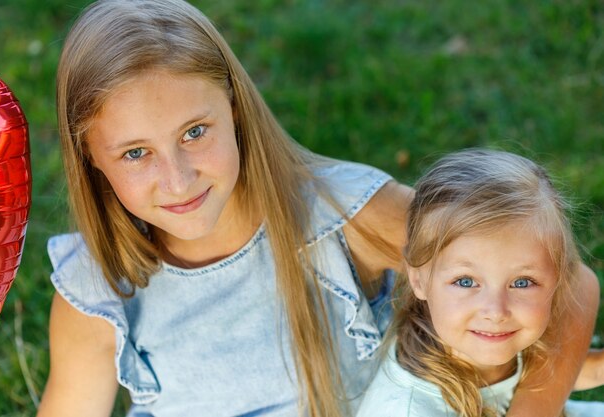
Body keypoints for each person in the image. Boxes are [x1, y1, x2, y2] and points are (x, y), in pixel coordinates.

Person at [35, 0, 599, 416]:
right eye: (136, 153)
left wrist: (536, 408)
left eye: (195, 131)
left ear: (235, 110)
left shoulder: (340, 213)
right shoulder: (97, 294)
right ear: (91, 158)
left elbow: (571, 285)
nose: (177, 177)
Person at [356, 149, 604, 417]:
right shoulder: (405, 410)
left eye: (522, 283)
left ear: (557, 279)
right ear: (418, 279)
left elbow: (547, 378)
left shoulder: (490, 342)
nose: (496, 311)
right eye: (465, 281)